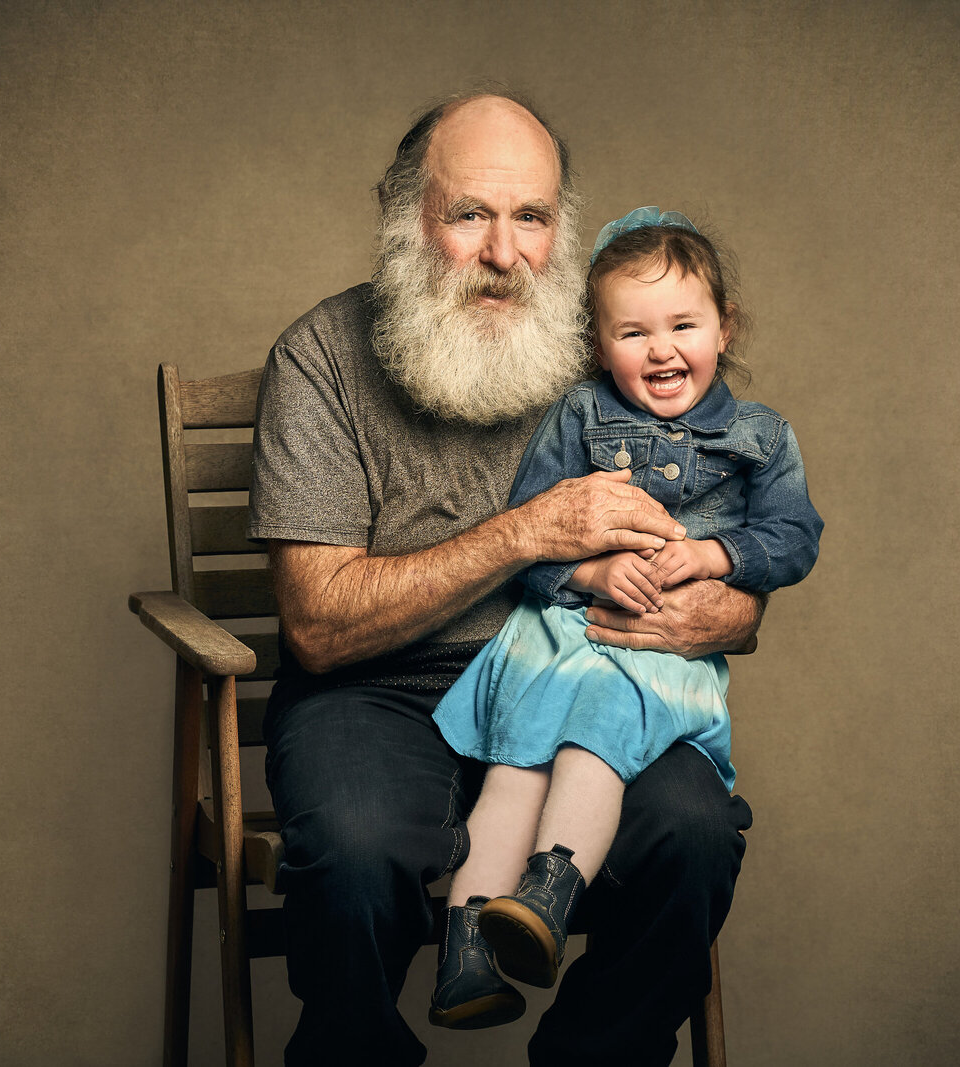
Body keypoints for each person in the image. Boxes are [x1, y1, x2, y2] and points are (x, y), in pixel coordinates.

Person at [248, 90, 762, 1067]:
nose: (504, 250)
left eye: (530, 216)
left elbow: (730, 568)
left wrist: (723, 603)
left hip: (580, 675)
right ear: (408, 220)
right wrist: (525, 531)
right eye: (470, 214)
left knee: (694, 830)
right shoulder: (320, 358)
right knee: (357, 851)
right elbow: (316, 627)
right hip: (377, 692)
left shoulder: (616, 346)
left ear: (561, 228)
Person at [429, 208, 822, 1020]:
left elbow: (794, 537)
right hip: (562, 632)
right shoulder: (578, 414)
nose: (662, 349)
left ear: (725, 326)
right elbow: (528, 536)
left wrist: (718, 557)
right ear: (598, 343)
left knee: (595, 740)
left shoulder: (760, 436)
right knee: (513, 769)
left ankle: (547, 890)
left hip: (652, 658)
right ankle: (467, 948)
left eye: (684, 324)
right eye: (633, 332)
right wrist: (593, 568)